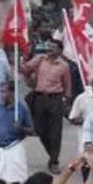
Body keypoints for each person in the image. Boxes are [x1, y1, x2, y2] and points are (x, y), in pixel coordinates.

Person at [20, 42, 70, 174]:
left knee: (55, 131)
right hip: (39, 98)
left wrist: (66, 101)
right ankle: (52, 154)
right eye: (49, 46)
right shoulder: (40, 59)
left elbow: (67, 84)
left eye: (53, 47)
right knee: (39, 129)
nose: (49, 49)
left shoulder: (64, 65)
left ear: (60, 51)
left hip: (55, 99)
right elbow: (25, 69)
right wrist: (23, 61)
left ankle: (54, 161)